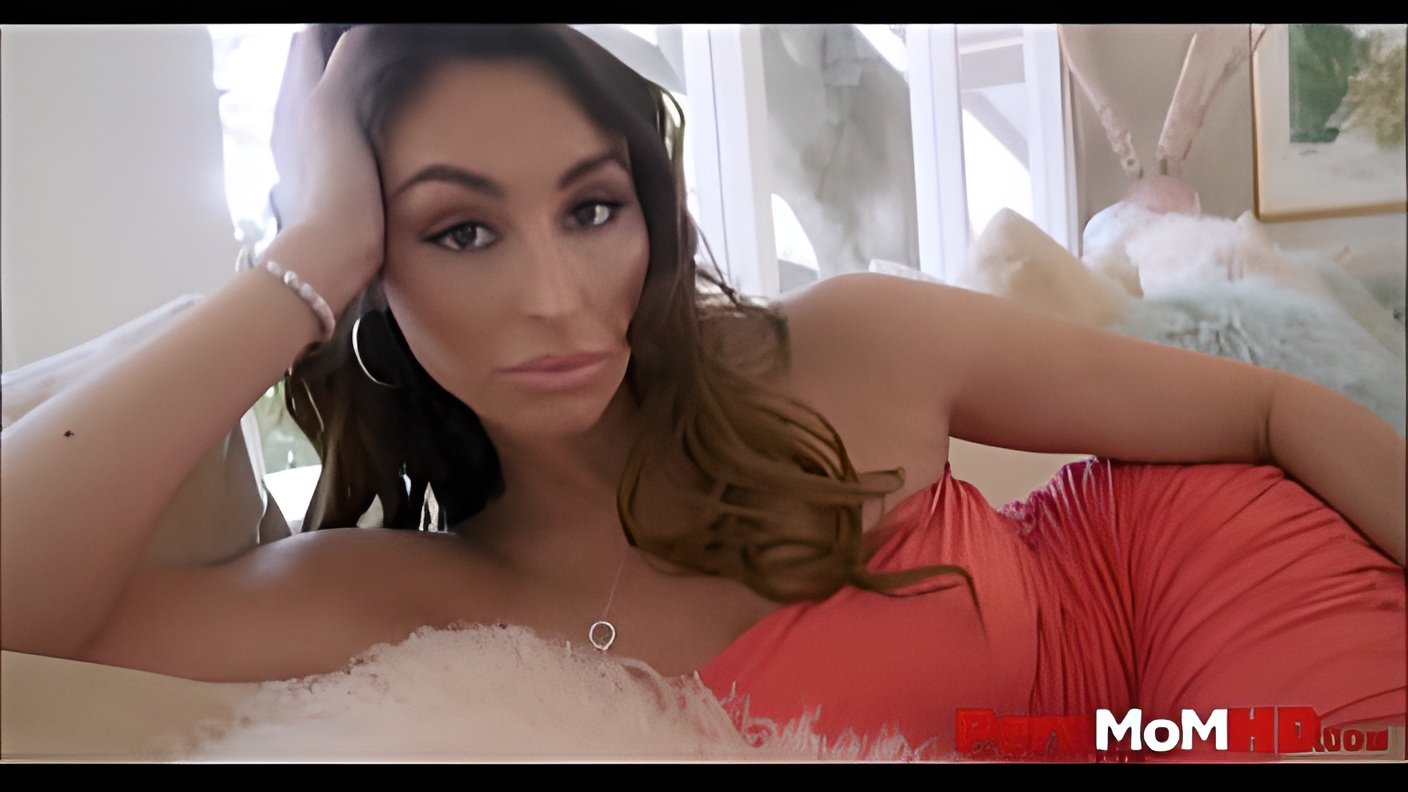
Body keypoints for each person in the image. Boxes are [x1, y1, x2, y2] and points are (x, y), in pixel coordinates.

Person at [2, 24, 1403, 760]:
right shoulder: (398, 599)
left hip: (1190, 604)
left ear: (651, 216)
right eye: (462, 230)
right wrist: (304, 255)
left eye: (591, 208)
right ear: (375, 268)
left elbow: (1270, 410)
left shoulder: (845, 344)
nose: (557, 295)